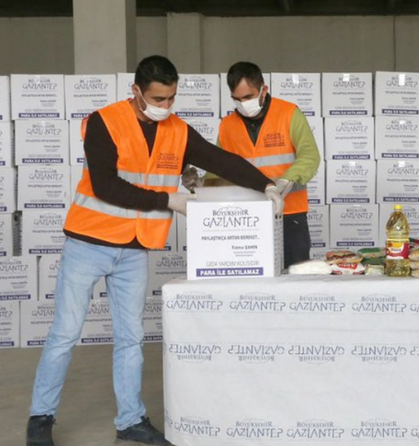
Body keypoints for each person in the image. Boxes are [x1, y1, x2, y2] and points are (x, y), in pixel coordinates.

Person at [26, 55, 283, 446]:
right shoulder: (104, 122)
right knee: (65, 333)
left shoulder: (177, 130)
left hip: (134, 249)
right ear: (136, 92)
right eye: (158, 99)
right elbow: (105, 187)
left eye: (171, 98)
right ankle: (40, 418)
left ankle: (130, 420)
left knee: (131, 338)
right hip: (88, 242)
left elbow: (219, 159)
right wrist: (169, 200)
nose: (165, 107)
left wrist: (265, 184)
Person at [193, 61, 320, 268]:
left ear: (264, 90)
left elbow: (309, 155)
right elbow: (218, 167)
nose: (243, 103)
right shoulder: (227, 126)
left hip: (288, 215)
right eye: (237, 99)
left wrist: (286, 181)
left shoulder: (288, 114)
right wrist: (201, 188)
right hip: (245, 220)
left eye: (248, 97)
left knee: (295, 281)